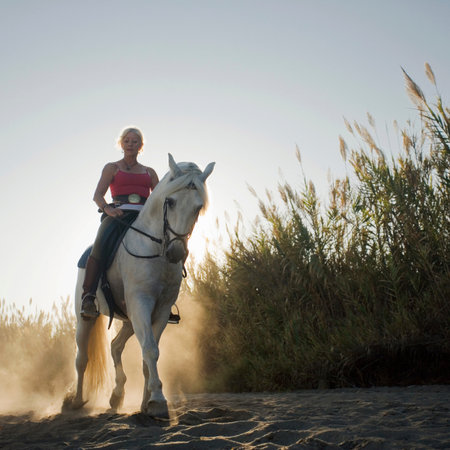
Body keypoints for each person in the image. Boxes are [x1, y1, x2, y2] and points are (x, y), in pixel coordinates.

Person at [81, 127, 159, 319]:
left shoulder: (150, 172)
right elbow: (98, 195)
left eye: (135, 141)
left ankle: (167, 299)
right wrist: (108, 209)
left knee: (169, 244)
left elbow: (157, 199)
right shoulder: (112, 167)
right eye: (127, 140)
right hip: (118, 215)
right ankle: (88, 296)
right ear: (121, 144)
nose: (130, 144)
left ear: (140, 146)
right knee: (100, 243)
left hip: (145, 218)